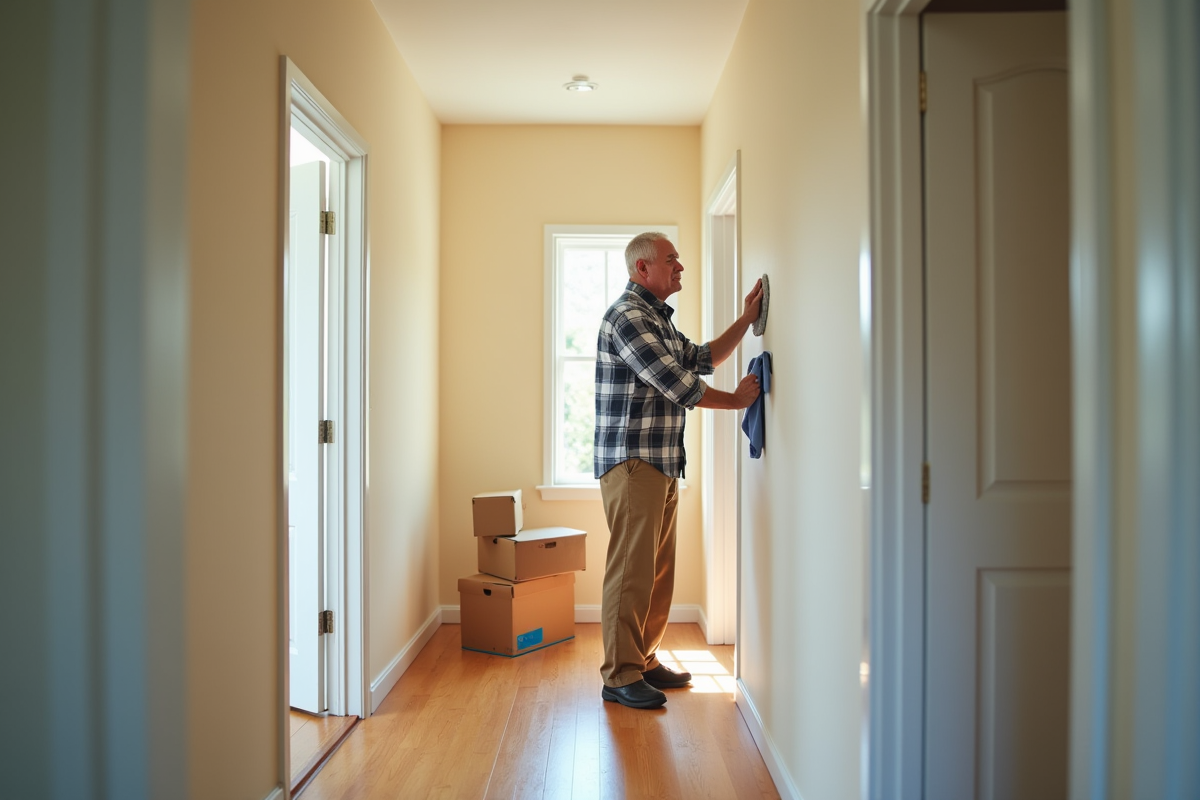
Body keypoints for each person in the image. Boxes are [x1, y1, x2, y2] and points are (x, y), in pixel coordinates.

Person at [594, 231, 763, 709]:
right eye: (672, 261)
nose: (680, 267)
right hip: (633, 462)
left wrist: (748, 321)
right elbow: (676, 383)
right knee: (631, 571)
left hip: (659, 462)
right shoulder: (628, 317)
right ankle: (619, 675)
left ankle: (643, 661)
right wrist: (737, 401)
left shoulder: (657, 320)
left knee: (655, 571)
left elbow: (701, 359)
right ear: (641, 270)